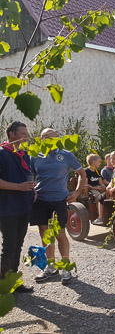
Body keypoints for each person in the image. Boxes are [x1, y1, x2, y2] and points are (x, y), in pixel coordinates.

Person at [31, 128, 87, 284]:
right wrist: (30, 190)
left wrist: (76, 192)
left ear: (57, 139)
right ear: (40, 139)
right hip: (40, 200)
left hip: (58, 200)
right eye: (45, 137)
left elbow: (82, 173)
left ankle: (66, 268)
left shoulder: (66, 155)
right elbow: (31, 176)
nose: (48, 139)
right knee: (44, 233)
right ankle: (50, 267)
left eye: (51, 137)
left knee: (60, 234)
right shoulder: (35, 156)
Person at [0, 121, 35, 293]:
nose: (26, 137)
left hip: (23, 207)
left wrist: (31, 188)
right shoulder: (1, 153)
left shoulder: (24, 154)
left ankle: (13, 282)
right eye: (22, 134)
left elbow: (26, 175)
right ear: (11, 135)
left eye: (26, 133)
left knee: (18, 244)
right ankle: (4, 285)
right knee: (9, 246)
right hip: (7, 209)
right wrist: (19, 187)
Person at [85, 154, 106, 225]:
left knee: (107, 193)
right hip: (91, 189)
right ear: (94, 162)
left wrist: (103, 186)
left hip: (98, 187)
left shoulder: (97, 171)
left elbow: (100, 182)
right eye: (99, 162)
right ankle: (100, 215)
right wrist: (96, 188)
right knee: (98, 196)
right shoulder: (86, 171)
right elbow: (86, 184)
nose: (100, 163)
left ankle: (108, 211)